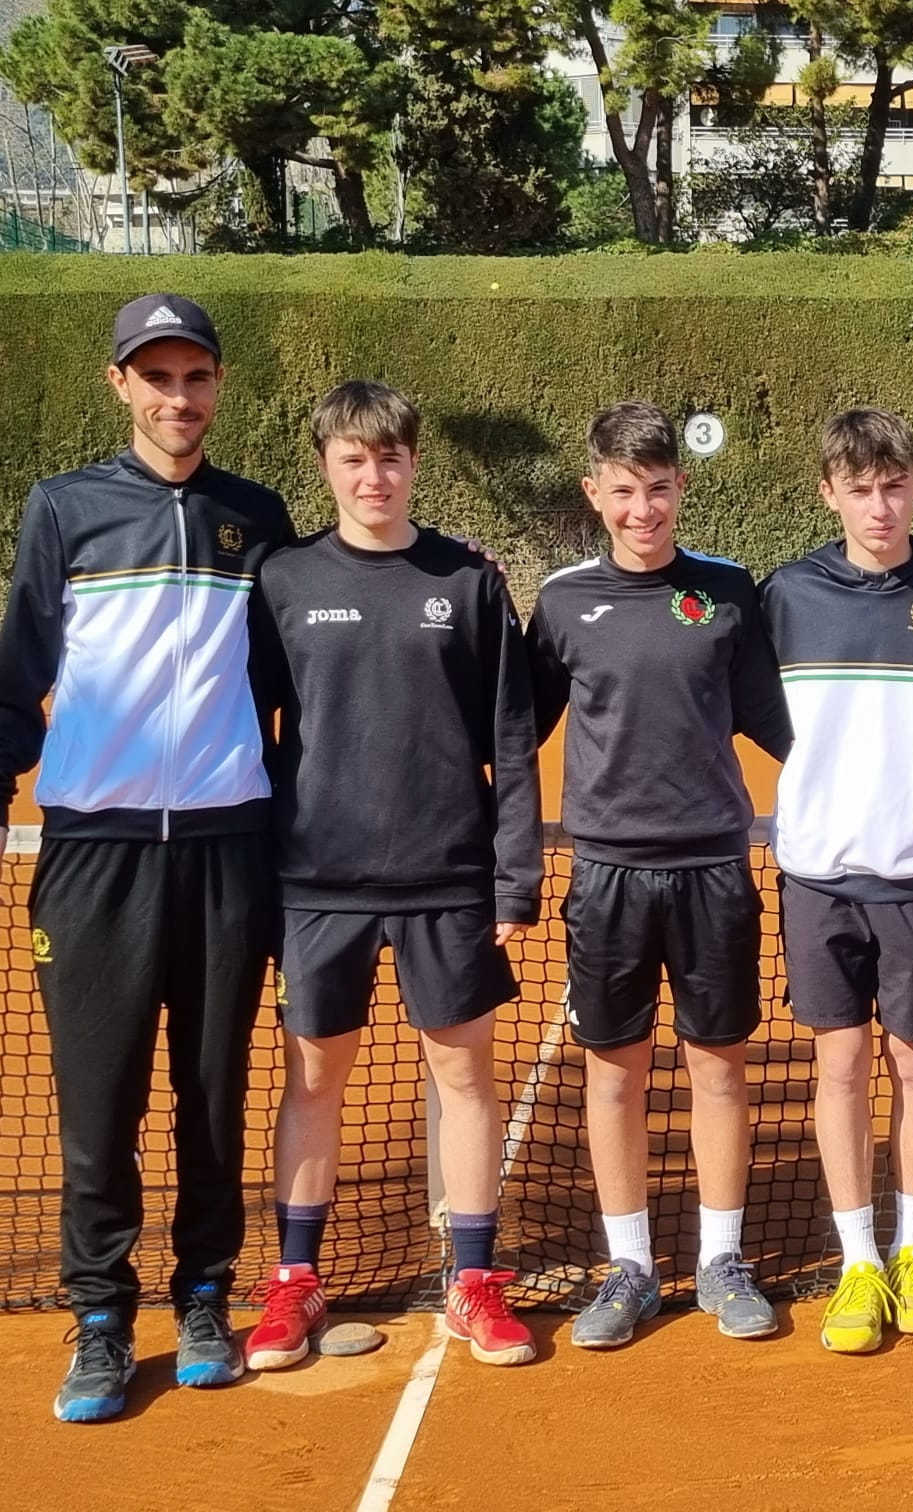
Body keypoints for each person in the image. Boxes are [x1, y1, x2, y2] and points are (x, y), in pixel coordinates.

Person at [0, 296, 294, 1421]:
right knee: (98, 1105)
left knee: (213, 1097)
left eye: (196, 376)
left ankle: (206, 1294)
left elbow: (287, 681)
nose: (179, 397)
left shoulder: (255, 517)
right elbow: (18, 673)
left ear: (218, 385)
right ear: (120, 384)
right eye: (157, 377)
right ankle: (101, 1319)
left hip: (227, 850)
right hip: (95, 856)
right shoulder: (64, 509)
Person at [243, 381, 544, 1368]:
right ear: (326, 465)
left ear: (413, 462)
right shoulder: (283, 581)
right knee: (313, 1080)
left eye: (390, 458)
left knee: (464, 1077)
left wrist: (513, 877)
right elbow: (251, 732)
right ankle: (295, 1282)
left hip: (447, 880)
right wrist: (256, 877)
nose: (373, 477)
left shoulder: (468, 581)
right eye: (353, 459)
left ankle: (473, 1280)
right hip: (315, 883)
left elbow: (511, 738)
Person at [526, 401, 793, 1349]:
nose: (644, 509)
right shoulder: (562, 602)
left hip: (713, 868)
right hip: (607, 876)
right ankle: (630, 1267)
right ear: (594, 493)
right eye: (624, 491)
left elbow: (780, 723)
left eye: (659, 488)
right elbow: (514, 727)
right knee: (615, 1074)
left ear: (681, 486)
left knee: (718, 1069)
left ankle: (722, 1259)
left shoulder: (727, 590)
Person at [759, 409, 913, 1354]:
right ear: (828, 492)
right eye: (859, 489)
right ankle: (858, 1260)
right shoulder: (787, 595)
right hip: (819, 877)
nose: (879, 506)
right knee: (840, 1066)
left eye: (894, 486)